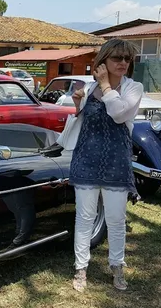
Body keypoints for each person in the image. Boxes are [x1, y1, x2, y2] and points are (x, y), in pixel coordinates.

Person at [55, 38, 143, 293]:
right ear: (103, 61)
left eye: (127, 59)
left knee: (116, 219)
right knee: (84, 218)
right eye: (117, 58)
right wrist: (77, 104)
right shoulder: (88, 88)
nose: (123, 63)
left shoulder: (133, 88)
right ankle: (80, 268)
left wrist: (105, 86)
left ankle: (117, 266)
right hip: (86, 160)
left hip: (116, 163)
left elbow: (119, 113)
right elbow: (83, 123)